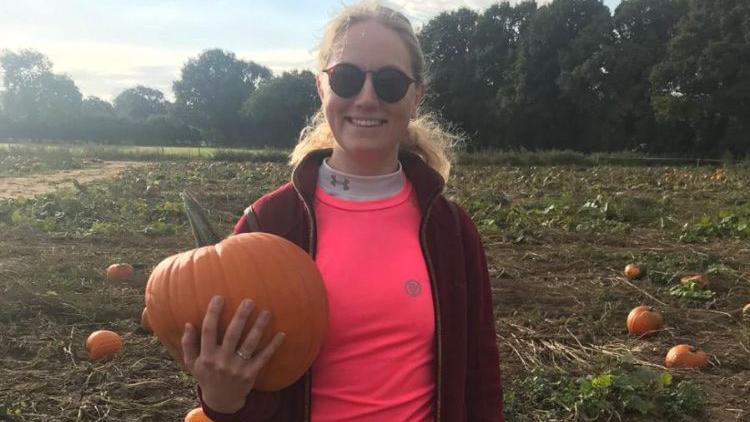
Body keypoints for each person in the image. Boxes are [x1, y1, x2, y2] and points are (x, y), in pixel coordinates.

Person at [180, 2, 504, 421]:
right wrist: (222, 400)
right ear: (322, 87)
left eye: (389, 83)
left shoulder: (452, 230)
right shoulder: (269, 227)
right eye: (347, 79)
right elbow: (247, 391)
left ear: (416, 97)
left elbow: (480, 380)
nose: (366, 98)